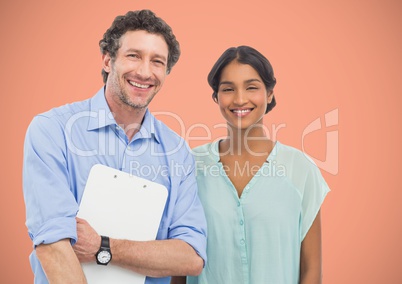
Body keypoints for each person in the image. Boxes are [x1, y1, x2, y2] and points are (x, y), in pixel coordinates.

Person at [22, 10, 207, 284]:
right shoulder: (52, 130)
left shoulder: (177, 152)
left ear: (166, 72)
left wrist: (102, 247)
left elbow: (190, 257)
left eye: (157, 61)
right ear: (108, 60)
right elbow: (53, 245)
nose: (145, 72)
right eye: (134, 56)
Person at [172, 46, 330, 284]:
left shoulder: (300, 169)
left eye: (251, 87)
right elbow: (179, 267)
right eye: (228, 89)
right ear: (216, 97)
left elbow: (311, 270)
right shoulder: (191, 166)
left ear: (269, 94)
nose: (239, 99)